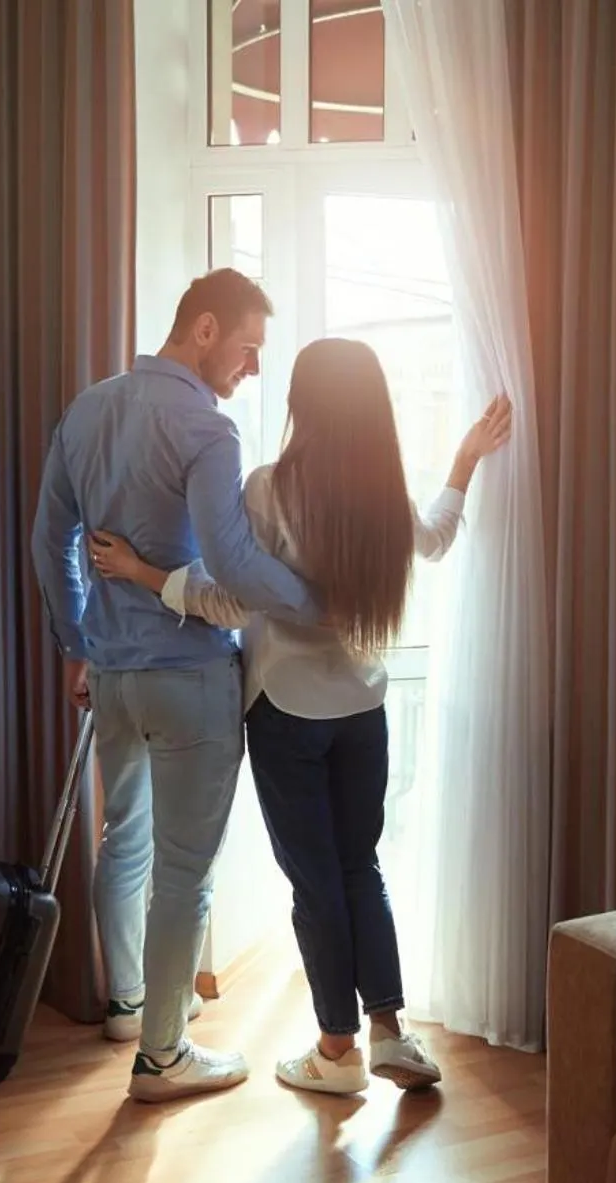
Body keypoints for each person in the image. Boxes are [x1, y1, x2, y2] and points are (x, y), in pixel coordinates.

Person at [88, 337, 512, 1095]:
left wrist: (143, 572)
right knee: (360, 867)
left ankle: (335, 1050)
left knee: (314, 880)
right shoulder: (383, 494)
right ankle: (388, 1033)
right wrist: (466, 458)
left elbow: (229, 599)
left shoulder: (268, 490)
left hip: (287, 711)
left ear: (301, 404)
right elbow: (440, 536)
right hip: (365, 708)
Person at [31, 269, 318, 1105]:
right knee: (185, 869)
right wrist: (313, 597)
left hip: (113, 674)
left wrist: (73, 643)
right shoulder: (207, 427)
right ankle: (162, 1055)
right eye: (248, 347)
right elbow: (230, 564)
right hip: (188, 674)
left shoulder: (86, 410)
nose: (252, 368)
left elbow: (51, 539)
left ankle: (126, 1003)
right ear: (203, 328)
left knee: (123, 836)